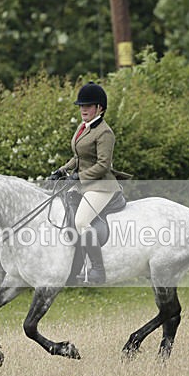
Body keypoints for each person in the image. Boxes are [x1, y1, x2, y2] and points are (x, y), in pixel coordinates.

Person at [49, 81, 130, 284]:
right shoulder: (83, 127)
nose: (83, 109)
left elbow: (103, 165)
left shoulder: (105, 132)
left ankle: (97, 269)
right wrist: (62, 170)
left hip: (101, 186)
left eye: (88, 105)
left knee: (81, 221)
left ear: (99, 108)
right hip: (85, 184)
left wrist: (79, 177)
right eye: (81, 105)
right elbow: (78, 156)